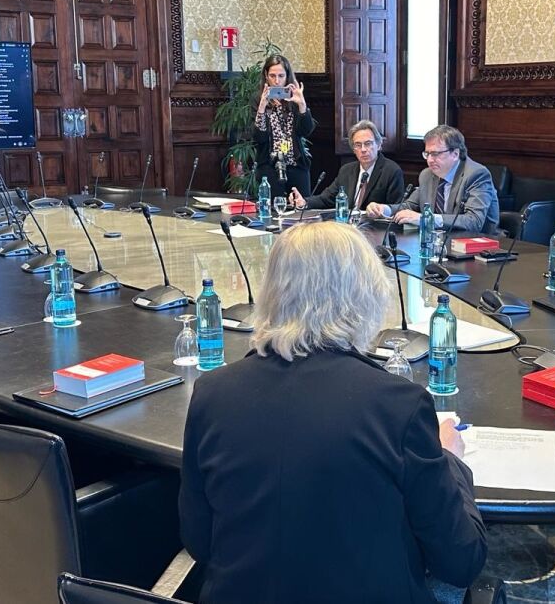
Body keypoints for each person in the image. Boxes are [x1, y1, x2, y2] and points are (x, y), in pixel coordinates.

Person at [179, 222, 487, 604]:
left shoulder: (211, 393)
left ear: (271, 293)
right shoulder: (399, 405)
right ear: (366, 296)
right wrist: (451, 460)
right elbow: (461, 561)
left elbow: (199, 542)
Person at [365, 125, 500, 235]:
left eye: (435, 154)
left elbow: (474, 221)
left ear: (455, 154)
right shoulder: (427, 175)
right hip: (438, 242)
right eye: (427, 154)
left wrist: (425, 219)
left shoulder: (476, 175)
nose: (429, 160)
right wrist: (384, 209)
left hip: (478, 247)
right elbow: (410, 206)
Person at [288, 120, 404, 211]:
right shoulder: (347, 170)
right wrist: (304, 202)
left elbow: (395, 208)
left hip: (375, 227)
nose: (363, 149)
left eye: (368, 144)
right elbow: (326, 199)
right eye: (358, 145)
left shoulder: (391, 171)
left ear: (379, 145)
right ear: (353, 149)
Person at [254, 54, 314, 198]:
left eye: (281, 76)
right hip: (269, 165)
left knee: (302, 205)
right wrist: (262, 107)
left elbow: (306, 131)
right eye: (272, 76)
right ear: (266, 76)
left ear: (287, 76)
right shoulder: (258, 99)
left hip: (295, 163)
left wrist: (302, 105)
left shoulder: (295, 97)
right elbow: (259, 138)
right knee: (273, 207)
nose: (277, 81)